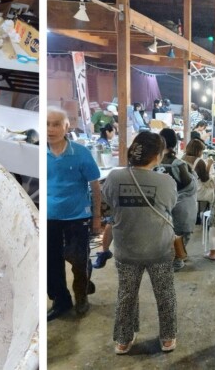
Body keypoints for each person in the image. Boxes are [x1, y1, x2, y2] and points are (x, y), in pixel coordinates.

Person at [101, 131, 179, 354]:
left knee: (126, 295)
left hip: (126, 248)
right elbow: (170, 206)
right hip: (159, 248)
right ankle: (167, 338)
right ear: (157, 156)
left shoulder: (115, 177)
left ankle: (123, 340)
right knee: (165, 294)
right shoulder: (166, 181)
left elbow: (110, 202)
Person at [46, 107, 102, 320]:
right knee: (52, 262)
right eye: (47, 124)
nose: (51, 129)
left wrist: (96, 217)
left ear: (66, 127)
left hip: (77, 216)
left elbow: (95, 186)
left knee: (79, 259)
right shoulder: (40, 152)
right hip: (50, 217)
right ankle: (61, 301)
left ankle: (81, 297)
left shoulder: (80, 153)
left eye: (56, 124)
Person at [157, 128, 198, 271]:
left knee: (164, 233)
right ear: (174, 143)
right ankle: (176, 259)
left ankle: (164, 259)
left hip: (159, 203)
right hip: (179, 203)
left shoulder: (154, 161)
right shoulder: (178, 164)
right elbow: (187, 184)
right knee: (181, 233)